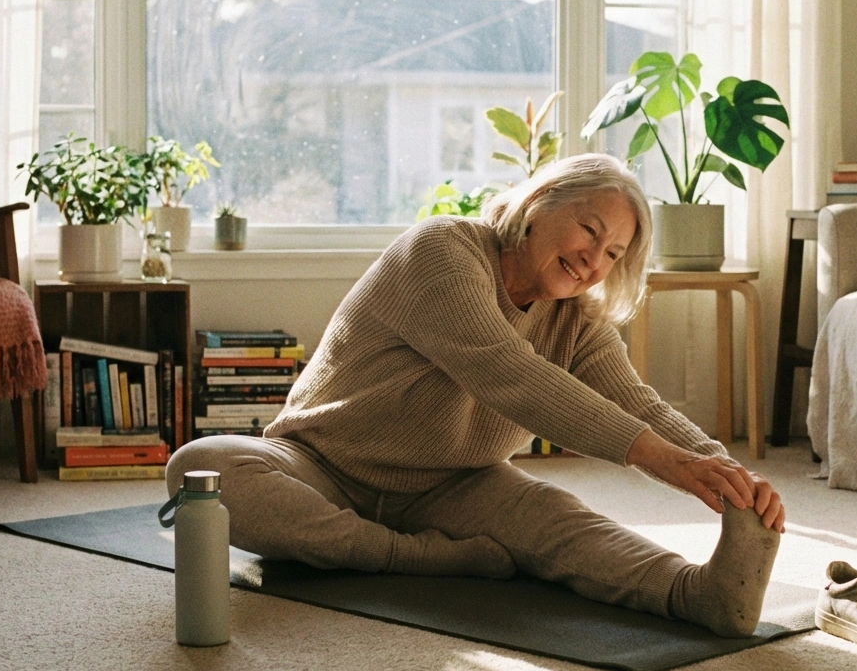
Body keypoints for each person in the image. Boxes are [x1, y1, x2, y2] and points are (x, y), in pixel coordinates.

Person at [167, 152, 786, 637]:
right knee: (203, 468)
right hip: (321, 464)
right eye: (588, 231)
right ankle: (414, 558)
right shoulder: (442, 250)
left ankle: (694, 595)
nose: (593, 260)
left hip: (455, 486)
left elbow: (636, 403)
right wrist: (665, 461)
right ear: (540, 203)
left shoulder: (577, 318)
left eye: (613, 253)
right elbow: (512, 376)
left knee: (561, 521)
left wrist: (728, 475)